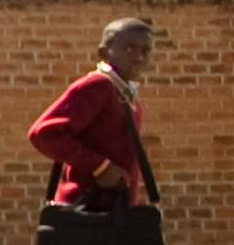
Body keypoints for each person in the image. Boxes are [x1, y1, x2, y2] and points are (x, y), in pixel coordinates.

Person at [28, 17, 155, 207]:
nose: (139, 57)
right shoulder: (98, 85)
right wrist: (100, 167)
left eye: (145, 51)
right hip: (86, 211)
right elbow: (44, 133)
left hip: (113, 212)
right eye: (129, 49)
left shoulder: (126, 94)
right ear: (104, 53)